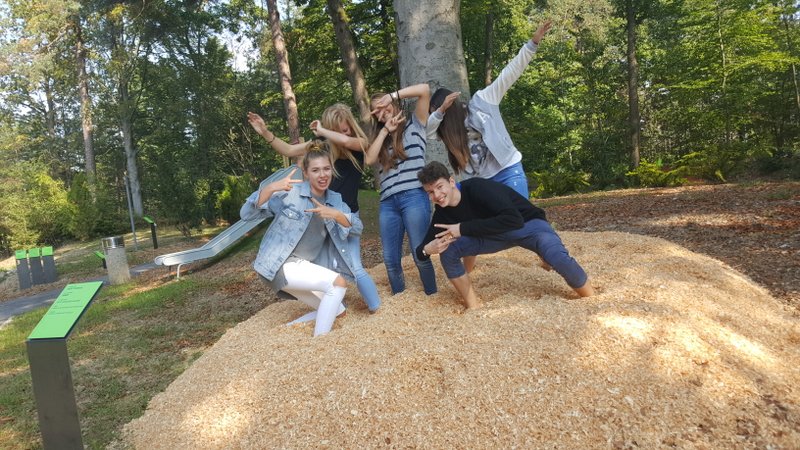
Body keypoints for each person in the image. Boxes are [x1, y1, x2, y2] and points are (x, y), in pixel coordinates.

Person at [247, 105, 382, 312]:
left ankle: (376, 308)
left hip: (343, 215)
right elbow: (289, 150)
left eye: (346, 128)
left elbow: (346, 142)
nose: (343, 134)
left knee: (355, 266)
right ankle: (336, 310)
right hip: (320, 217)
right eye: (337, 130)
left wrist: (324, 131)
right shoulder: (323, 147)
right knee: (324, 267)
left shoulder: (359, 145)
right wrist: (265, 132)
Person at [415, 161, 593, 310]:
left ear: (451, 182)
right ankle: (473, 307)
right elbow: (420, 251)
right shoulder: (442, 213)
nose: (437, 195)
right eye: (430, 192)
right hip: (491, 238)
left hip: (528, 225)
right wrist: (427, 250)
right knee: (448, 250)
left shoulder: (478, 188)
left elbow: (513, 220)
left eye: (440, 187)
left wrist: (462, 228)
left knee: (555, 256)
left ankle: (591, 298)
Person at [240, 146, 362, 336]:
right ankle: (320, 341)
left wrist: (337, 215)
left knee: (339, 311)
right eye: (315, 170)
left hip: (303, 266)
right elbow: (247, 214)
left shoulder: (336, 201)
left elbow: (357, 228)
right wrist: (270, 188)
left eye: (326, 169)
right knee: (337, 284)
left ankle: (284, 331)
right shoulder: (291, 193)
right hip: (278, 265)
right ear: (305, 173)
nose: (322, 175)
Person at [426, 20, 554, 198]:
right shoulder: (445, 130)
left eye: (440, 111)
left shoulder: (482, 101)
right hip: (482, 182)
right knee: (494, 217)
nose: (438, 116)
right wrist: (440, 112)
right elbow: (428, 131)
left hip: (508, 170)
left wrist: (532, 45)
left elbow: (508, 75)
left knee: (520, 214)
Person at [366, 84, 438, 295]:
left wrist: (391, 95)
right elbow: (369, 160)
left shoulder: (415, 124)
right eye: (376, 111)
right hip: (388, 202)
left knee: (420, 253)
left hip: (414, 196)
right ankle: (399, 299)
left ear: (392, 103)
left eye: (383, 105)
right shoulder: (380, 139)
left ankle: (432, 295)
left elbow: (424, 90)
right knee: (390, 260)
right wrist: (384, 131)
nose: (382, 111)